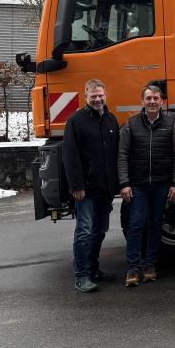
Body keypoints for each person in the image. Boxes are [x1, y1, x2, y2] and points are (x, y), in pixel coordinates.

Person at [118, 85, 175, 287]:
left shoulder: (171, 124)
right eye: (148, 98)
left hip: (161, 184)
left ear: (162, 101)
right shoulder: (131, 124)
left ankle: (149, 265)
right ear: (142, 101)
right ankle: (132, 267)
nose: (152, 101)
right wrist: (124, 183)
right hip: (137, 185)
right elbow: (122, 155)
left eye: (156, 98)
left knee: (156, 224)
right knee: (136, 225)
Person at [62, 78, 120, 293]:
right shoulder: (76, 121)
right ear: (85, 96)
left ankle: (93, 269)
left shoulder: (111, 120)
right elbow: (70, 156)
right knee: (84, 232)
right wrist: (76, 185)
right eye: (93, 96)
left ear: (106, 96)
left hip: (104, 188)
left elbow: (115, 156)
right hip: (85, 189)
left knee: (100, 230)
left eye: (100, 95)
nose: (97, 99)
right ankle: (81, 276)